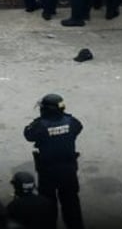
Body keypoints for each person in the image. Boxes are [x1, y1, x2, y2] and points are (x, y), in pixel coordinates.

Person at [23, 93, 84, 229]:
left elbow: (28, 134)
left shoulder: (40, 125)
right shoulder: (70, 121)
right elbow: (79, 127)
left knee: (47, 205)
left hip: (48, 171)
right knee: (71, 204)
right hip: (69, 170)